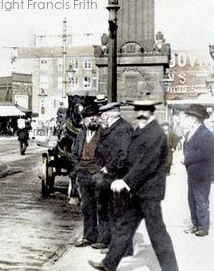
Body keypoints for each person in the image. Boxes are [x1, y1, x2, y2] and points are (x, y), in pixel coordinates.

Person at [89, 98, 178, 271]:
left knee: (158, 235)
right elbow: (132, 158)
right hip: (138, 192)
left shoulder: (156, 133)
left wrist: (126, 181)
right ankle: (109, 263)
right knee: (125, 227)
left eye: (145, 110)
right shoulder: (142, 130)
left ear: (152, 111)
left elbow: (147, 164)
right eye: (139, 110)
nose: (141, 114)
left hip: (149, 193)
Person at [94, 102, 134, 256]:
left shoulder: (122, 129)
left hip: (119, 177)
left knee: (120, 213)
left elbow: (123, 155)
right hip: (112, 177)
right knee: (113, 211)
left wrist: (109, 167)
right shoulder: (114, 128)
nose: (101, 118)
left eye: (102, 115)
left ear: (108, 115)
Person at [71, 104, 104, 248]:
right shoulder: (81, 135)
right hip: (83, 174)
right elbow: (74, 153)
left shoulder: (103, 134)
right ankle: (88, 236)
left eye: (95, 116)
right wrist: (77, 167)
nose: (92, 119)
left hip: (97, 175)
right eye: (89, 117)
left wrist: (101, 169)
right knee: (87, 207)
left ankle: (102, 239)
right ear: (83, 120)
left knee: (101, 206)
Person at [180, 104, 214, 237]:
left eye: (189, 115)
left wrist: (186, 158)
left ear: (195, 118)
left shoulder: (206, 134)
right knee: (192, 199)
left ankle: (203, 228)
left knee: (201, 200)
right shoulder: (191, 131)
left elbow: (204, 153)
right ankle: (195, 225)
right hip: (192, 173)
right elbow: (187, 147)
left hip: (202, 174)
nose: (187, 117)